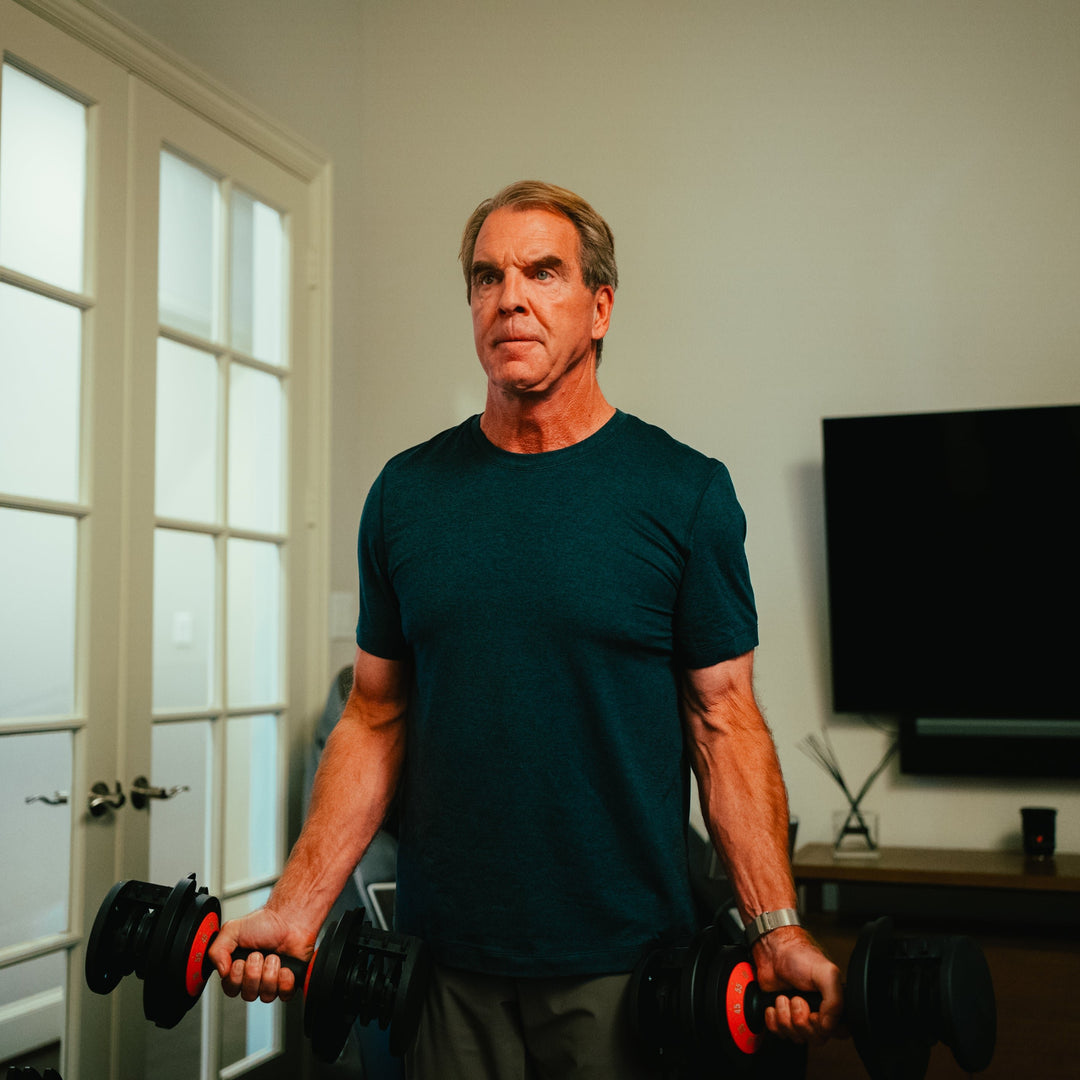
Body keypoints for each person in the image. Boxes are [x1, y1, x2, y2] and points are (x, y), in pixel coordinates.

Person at [210, 180, 843, 1078]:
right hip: (445, 963)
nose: (510, 296)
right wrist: (295, 909)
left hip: (624, 963)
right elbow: (375, 716)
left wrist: (774, 927)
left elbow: (724, 723)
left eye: (544, 272)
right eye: (486, 277)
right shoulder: (406, 495)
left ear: (600, 308)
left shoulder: (683, 494)